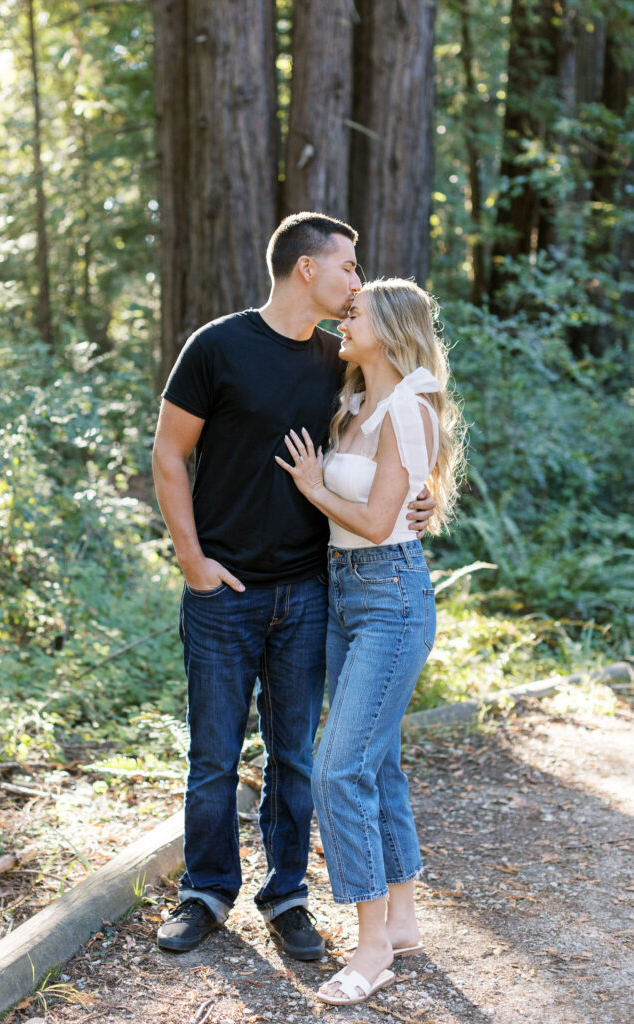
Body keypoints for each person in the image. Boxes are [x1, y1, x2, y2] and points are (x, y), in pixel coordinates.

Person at [152, 214, 435, 961]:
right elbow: (168, 455)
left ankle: (287, 896)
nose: (355, 283)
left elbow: (385, 446)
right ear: (306, 268)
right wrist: (192, 563)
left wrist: (419, 503)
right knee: (213, 754)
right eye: (347, 266)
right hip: (224, 590)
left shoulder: (336, 363)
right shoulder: (217, 346)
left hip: (314, 593)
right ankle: (207, 892)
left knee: (296, 756)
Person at [275, 277, 464, 1003]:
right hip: (344, 593)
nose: (340, 321)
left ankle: (372, 946)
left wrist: (313, 485)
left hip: (388, 594)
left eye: (353, 314)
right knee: (375, 766)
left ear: (388, 327)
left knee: (336, 770)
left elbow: (381, 517)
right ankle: (404, 921)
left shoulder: (409, 405)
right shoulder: (355, 403)